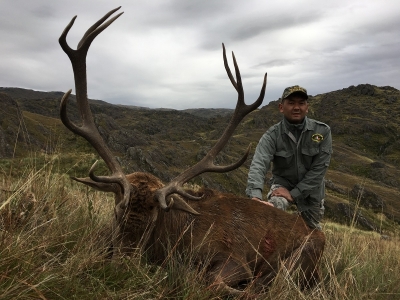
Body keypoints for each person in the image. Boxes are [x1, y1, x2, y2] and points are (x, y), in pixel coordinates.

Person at [245, 85, 332, 230]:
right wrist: (255, 196)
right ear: (281, 107)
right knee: (271, 215)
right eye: (291, 103)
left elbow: (319, 169)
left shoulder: (322, 131)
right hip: (282, 186)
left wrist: (294, 194)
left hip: (311, 191)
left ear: (307, 107)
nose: (296, 107)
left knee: (311, 232)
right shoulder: (272, 135)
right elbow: (259, 164)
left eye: (301, 103)